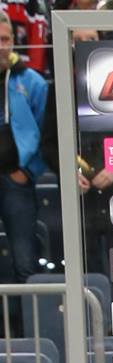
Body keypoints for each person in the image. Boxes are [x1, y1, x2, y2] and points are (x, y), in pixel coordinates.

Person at [0, 10, 46, 284]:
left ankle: (27, 315)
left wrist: (28, 172)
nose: (1, 46)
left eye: (5, 39)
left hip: (16, 181)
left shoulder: (32, 82)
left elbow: (47, 135)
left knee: (24, 261)